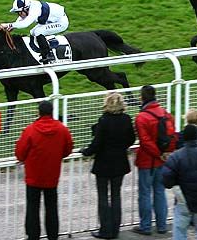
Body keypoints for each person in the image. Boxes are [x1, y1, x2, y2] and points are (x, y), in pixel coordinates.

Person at [80, 92, 136, 239]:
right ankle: (115, 229)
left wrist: (86, 152)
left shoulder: (103, 121)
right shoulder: (126, 119)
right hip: (120, 162)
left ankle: (105, 229)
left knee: (103, 196)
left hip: (104, 163)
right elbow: (131, 139)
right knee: (116, 195)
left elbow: (96, 144)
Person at [15, 100, 74, 240]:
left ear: (38, 112)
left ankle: (33, 236)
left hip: (33, 176)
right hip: (52, 175)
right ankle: (53, 236)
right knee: (51, 207)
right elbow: (68, 148)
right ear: (52, 112)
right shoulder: (62, 129)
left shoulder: (30, 130)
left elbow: (20, 153)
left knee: (32, 208)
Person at [132, 85, 176, 235]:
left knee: (144, 193)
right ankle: (162, 226)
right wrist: (167, 153)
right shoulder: (166, 114)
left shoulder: (141, 117)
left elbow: (145, 141)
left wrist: (158, 154)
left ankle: (145, 226)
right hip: (163, 160)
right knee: (159, 192)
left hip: (147, 161)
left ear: (142, 97)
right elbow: (172, 135)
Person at [0, 0, 69, 63]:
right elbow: (21, 20)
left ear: (25, 9)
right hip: (50, 20)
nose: (19, 15)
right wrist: (13, 26)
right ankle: (38, 50)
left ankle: (49, 54)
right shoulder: (28, 7)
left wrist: (9, 25)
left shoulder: (34, 10)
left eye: (19, 12)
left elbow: (25, 24)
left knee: (38, 32)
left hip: (61, 22)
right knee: (32, 32)